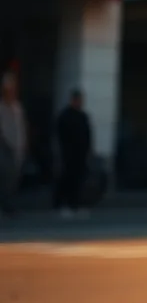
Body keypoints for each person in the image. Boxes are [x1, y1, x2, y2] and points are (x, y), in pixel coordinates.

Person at [54, 88, 93, 218]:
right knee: (67, 180)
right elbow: (61, 135)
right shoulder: (65, 116)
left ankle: (76, 204)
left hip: (81, 155)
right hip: (68, 155)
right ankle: (63, 204)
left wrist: (88, 151)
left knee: (79, 181)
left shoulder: (82, 116)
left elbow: (88, 135)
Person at [0, 71, 26, 218]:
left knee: (13, 180)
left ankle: (9, 205)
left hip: (17, 150)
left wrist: (23, 144)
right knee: (4, 178)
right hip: (4, 148)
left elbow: (20, 128)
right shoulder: (1, 107)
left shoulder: (17, 108)